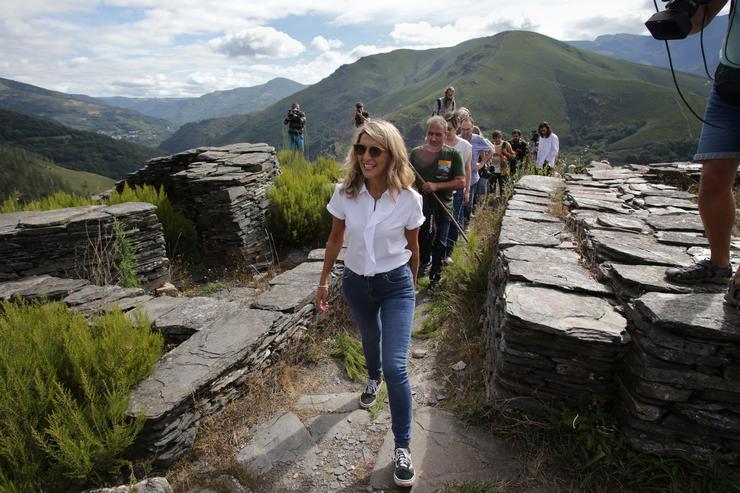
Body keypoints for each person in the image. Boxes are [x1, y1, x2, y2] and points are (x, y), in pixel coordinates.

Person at [316, 120, 424, 487]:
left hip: (396, 286)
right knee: (368, 337)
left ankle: (403, 447)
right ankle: (371, 378)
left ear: (391, 154)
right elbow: (334, 240)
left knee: (397, 367)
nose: (365, 157)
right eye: (360, 149)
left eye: (374, 150)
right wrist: (323, 282)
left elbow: (414, 247)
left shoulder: (409, 199)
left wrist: (413, 282)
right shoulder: (345, 193)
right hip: (356, 283)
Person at [665, 0, 739, 308]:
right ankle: (719, 265)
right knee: (712, 179)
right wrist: (680, 12)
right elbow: (699, 21)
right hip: (730, 80)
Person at [409, 115, 465, 289]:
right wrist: (413, 189)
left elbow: (461, 181)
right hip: (418, 209)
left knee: (440, 243)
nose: (433, 138)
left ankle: (435, 277)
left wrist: (436, 186)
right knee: (419, 243)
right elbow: (407, 179)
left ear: (445, 134)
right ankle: (416, 274)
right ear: (427, 133)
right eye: (430, 134)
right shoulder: (416, 153)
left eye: (438, 134)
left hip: (443, 208)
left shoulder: (453, 154)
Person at [442, 112, 472, 261]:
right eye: (444, 128)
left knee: (454, 220)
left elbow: (468, 169)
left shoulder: (465, 146)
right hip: (440, 189)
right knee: (438, 222)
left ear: (456, 128)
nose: (446, 132)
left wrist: (467, 190)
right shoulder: (438, 143)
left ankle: (448, 253)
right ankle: (436, 252)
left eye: (449, 128)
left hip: (457, 190)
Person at [459, 116, 494, 208]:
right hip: (458, 178)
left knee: (468, 205)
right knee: (458, 205)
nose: (465, 132)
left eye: (468, 129)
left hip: (472, 178)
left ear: (472, 127)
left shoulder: (478, 139)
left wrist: (482, 164)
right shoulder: (457, 139)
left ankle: (467, 220)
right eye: (463, 129)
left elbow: (491, 151)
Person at [489, 130, 515, 197]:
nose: (497, 139)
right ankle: (492, 199)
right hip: (493, 165)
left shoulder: (505, 144)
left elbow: (513, 156)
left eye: (498, 137)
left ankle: (503, 198)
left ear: (501, 137)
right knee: (492, 183)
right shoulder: (491, 144)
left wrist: (505, 153)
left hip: (503, 165)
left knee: (502, 183)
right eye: (495, 138)